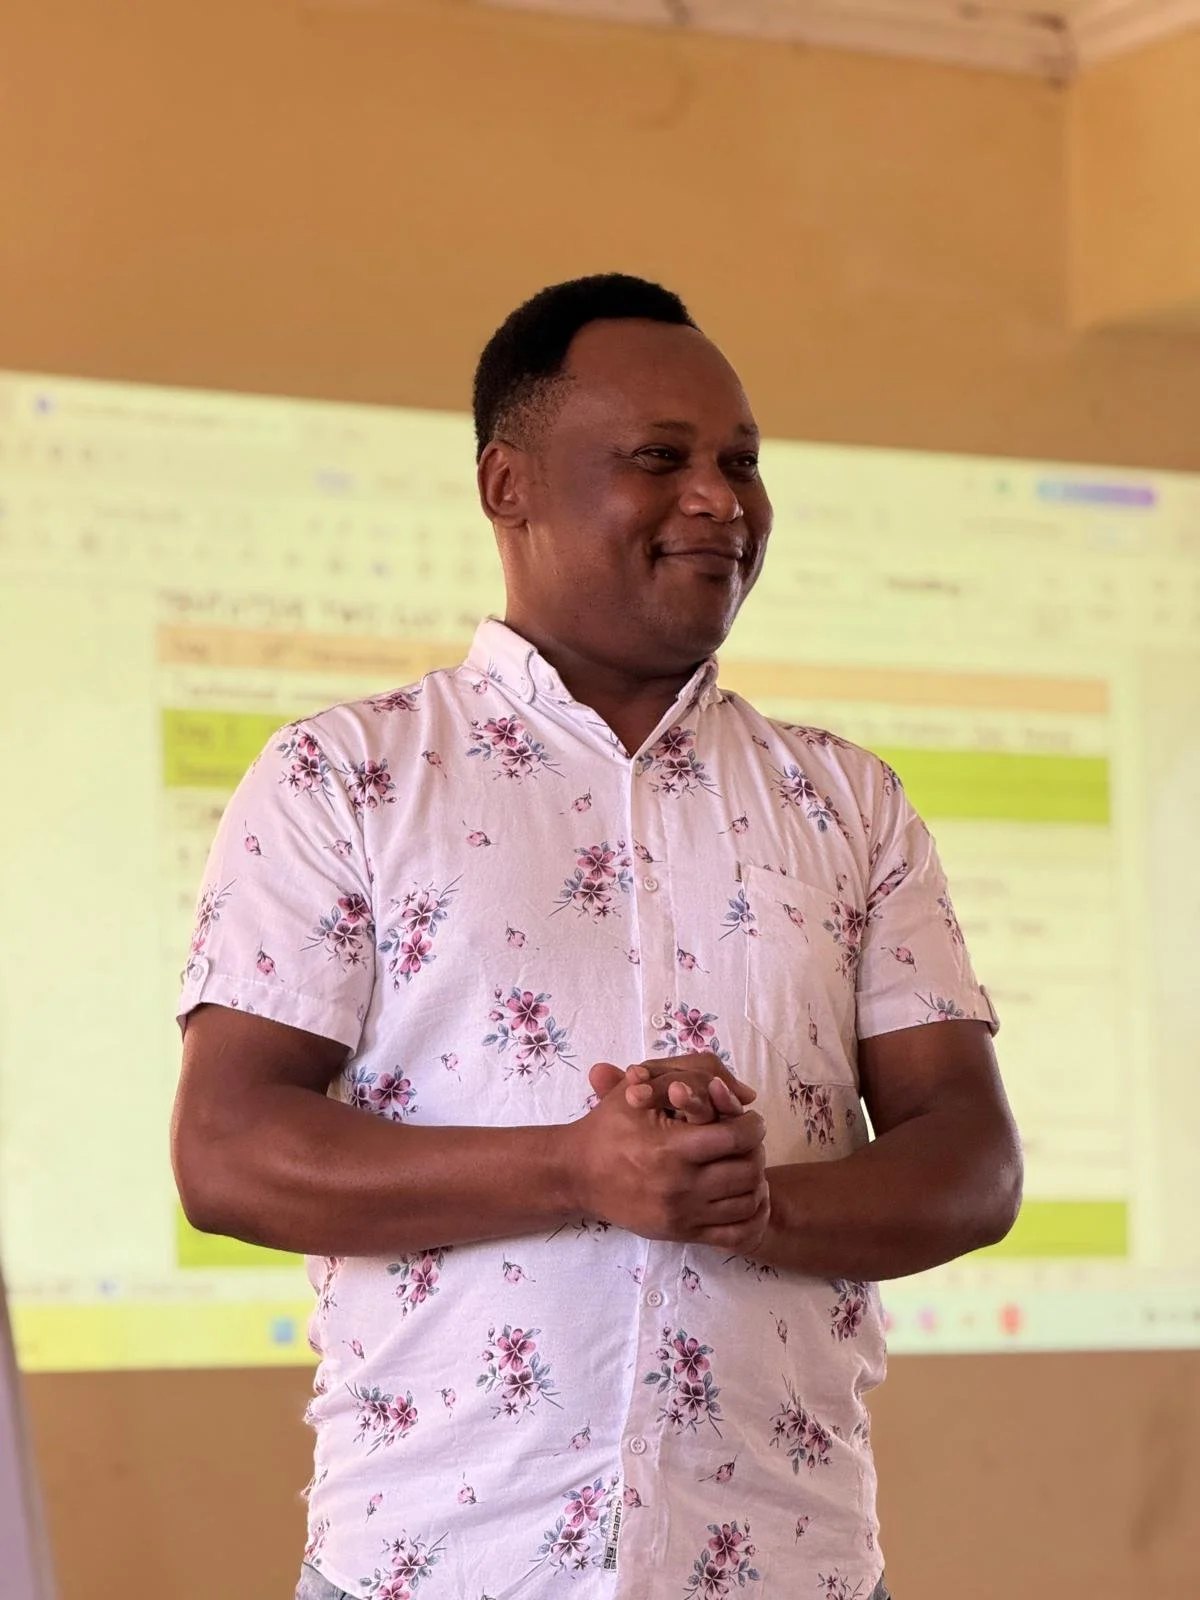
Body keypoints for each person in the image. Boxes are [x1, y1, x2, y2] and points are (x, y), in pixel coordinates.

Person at [172, 273, 1021, 1600]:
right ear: (509, 487)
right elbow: (226, 1154)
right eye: (660, 459)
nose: (720, 499)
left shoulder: (849, 800)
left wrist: (747, 1199)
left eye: (741, 461)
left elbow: (972, 1164)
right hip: (435, 1567)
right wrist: (581, 1167)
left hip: (791, 1567)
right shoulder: (346, 776)